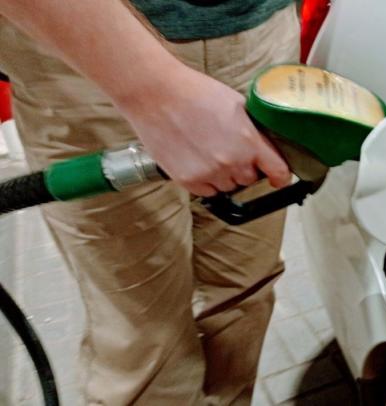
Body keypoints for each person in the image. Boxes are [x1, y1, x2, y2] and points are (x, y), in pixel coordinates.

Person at [0, 1, 299, 404]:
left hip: (260, 30)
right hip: (82, 56)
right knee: (147, 338)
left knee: (245, 294)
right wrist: (149, 87)